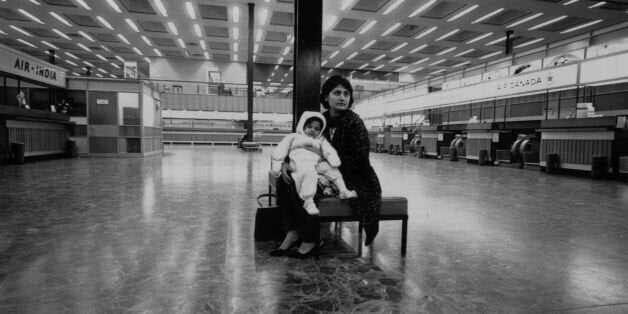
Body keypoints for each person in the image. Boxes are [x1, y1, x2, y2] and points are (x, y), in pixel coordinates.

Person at [270, 75, 381, 258]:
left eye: (346, 93)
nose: (342, 97)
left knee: (304, 186)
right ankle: (293, 231)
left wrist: (322, 159)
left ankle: (311, 239)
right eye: (336, 93)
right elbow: (297, 143)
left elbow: (359, 159)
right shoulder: (319, 120)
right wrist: (286, 163)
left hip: (351, 177)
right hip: (319, 169)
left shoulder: (355, 123)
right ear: (326, 97)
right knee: (285, 181)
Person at [270, 111, 357, 215]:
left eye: (317, 129)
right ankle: (308, 201)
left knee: (332, 169)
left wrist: (332, 159)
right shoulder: (294, 137)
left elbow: (329, 150)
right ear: (303, 126)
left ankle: (343, 190)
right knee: (308, 173)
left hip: (316, 163)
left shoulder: (320, 140)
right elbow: (282, 148)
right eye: (309, 126)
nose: (312, 130)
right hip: (300, 162)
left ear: (321, 131)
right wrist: (278, 163)